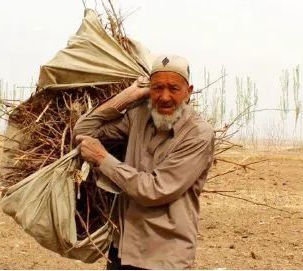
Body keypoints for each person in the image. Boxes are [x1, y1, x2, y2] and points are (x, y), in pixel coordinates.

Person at [73, 55, 214, 269]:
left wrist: (103, 159)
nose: (164, 97)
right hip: (122, 249)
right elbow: (83, 130)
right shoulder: (138, 116)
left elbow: (155, 190)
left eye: (173, 88)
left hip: (164, 256)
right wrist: (127, 96)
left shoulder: (198, 135)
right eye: (157, 88)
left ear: (189, 91)